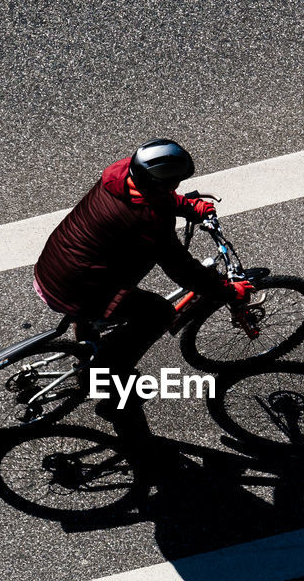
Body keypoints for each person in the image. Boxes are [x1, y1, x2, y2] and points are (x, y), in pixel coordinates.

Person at [32, 138, 252, 431]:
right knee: (158, 313)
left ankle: (88, 333)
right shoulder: (147, 221)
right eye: (173, 183)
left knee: (113, 302)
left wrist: (190, 208)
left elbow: (156, 195)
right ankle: (109, 383)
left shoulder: (122, 174)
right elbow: (181, 268)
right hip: (74, 289)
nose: (175, 187)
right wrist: (225, 290)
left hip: (55, 266)